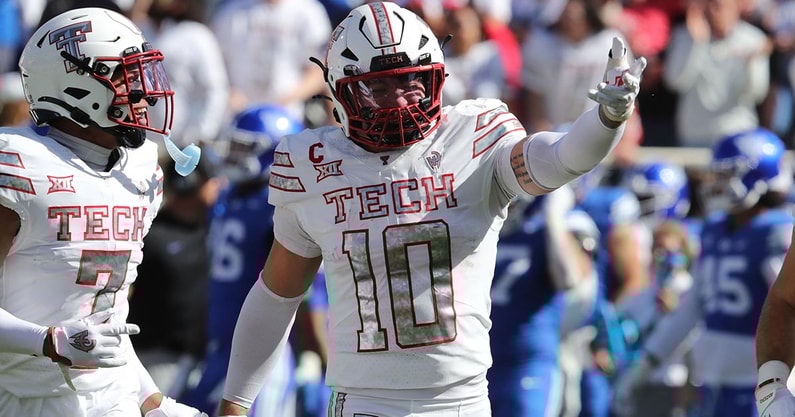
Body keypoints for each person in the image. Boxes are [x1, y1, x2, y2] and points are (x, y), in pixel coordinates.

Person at [217, 2, 646, 416]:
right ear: (338, 91)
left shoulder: (473, 137)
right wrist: (235, 402)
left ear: (437, 77)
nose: (399, 101)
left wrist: (608, 117)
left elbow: (560, 158)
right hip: (366, 402)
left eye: (411, 83)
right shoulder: (312, 163)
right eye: (376, 88)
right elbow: (277, 296)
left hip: (464, 399)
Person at [0, 7, 205, 417]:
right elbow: (72, 336)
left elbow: (106, 319)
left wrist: (151, 401)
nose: (144, 93)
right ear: (75, 87)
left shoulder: (140, 167)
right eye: (126, 77)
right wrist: (47, 339)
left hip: (112, 397)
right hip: (19, 399)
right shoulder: (19, 163)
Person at [615, 128, 794, 417]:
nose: (716, 183)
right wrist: (645, 364)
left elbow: (789, 306)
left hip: (757, 386)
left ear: (758, 175)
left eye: (727, 175)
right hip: (710, 384)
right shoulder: (713, 229)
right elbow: (691, 309)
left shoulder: (777, 231)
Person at [180, 104, 304, 417]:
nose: (234, 155)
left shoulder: (278, 206)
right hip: (218, 346)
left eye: (245, 148)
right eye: (233, 145)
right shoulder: (228, 195)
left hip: (261, 354)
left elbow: (300, 290)